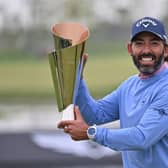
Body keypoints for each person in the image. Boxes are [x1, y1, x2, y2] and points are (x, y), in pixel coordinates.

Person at [58, 16, 168, 168]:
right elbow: (95, 115)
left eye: (154, 43)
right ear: (130, 49)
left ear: (166, 50)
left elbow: (142, 138)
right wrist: (78, 77)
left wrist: (90, 133)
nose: (146, 50)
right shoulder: (129, 85)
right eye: (139, 43)